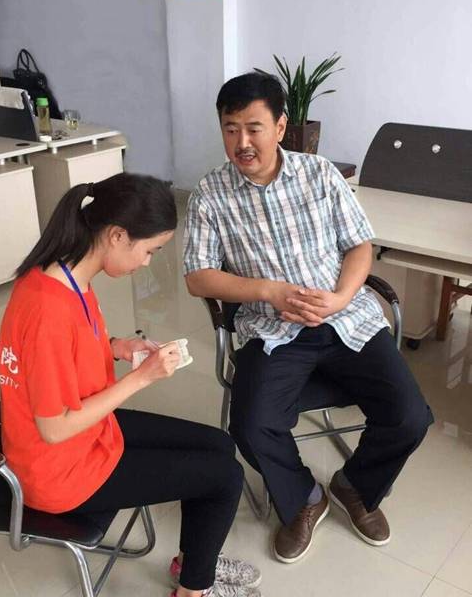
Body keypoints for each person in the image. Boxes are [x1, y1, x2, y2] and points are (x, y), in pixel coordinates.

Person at [183, 73, 433, 564]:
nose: (242, 142)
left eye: (254, 128)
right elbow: (198, 277)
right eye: (230, 129)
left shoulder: (320, 174)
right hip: (273, 329)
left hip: (346, 319)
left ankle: (355, 486)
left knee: (410, 417)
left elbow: (359, 246)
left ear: (280, 127)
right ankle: (303, 498)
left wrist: (340, 298)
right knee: (251, 427)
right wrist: (268, 291)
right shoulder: (210, 194)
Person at [0, 173, 264, 597]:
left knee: (219, 444)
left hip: (86, 433)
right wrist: (140, 379)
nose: (147, 262)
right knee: (224, 477)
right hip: (60, 469)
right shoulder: (49, 308)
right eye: (150, 250)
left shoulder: (66, 275)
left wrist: (117, 347)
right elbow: (54, 427)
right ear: (117, 235)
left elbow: (64, 353)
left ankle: (194, 563)